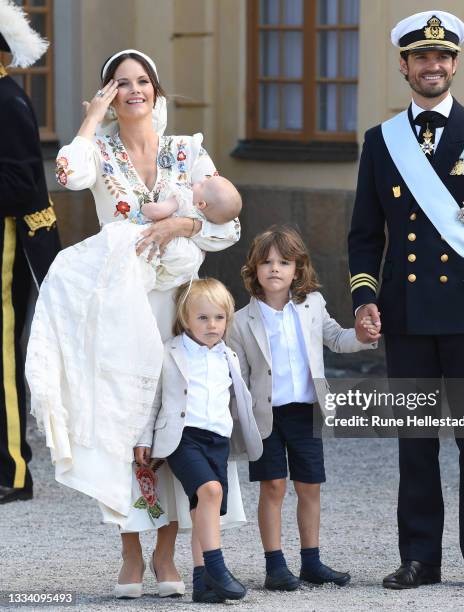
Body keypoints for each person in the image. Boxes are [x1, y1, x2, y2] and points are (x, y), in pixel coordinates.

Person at [25, 49, 243, 598]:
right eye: (120, 84)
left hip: (178, 310)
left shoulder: (186, 150)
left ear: (156, 89)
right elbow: (68, 175)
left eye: (142, 81)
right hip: (121, 311)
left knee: (176, 424)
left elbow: (227, 220)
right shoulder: (98, 149)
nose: (133, 90)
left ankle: (167, 555)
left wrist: (183, 224)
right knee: (126, 426)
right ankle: (129, 553)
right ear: (108, 93)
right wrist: (92, 117)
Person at [348, 11, 464, 590]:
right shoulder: (381, 143)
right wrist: (364, 297)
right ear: (404, 65)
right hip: (406, 316)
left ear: (454, 63)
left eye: (443, 57)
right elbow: (364, 234)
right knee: (416, 442)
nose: (434, 66)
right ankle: (420, 558)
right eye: (422, 58)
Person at [228, 226, 377, 591]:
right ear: (253, 270)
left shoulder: (312, 306)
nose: (275, 269)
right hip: (267, 416)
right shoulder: (241, 321)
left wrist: (359, 336)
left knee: (310, 486)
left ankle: (311, 561)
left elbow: (337, 340)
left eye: (284, 262)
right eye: (266, 263)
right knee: (273, 486)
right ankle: (275, 565)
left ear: (298, 269)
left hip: (306, 410)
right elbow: (239, 379)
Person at [136, 278, 262, 603]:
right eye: (203, 317)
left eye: (219, 318)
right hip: (183, 438)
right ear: (185, 319)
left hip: (217, 440)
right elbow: (154, 400)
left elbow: (240, 399)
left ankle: (202, 583)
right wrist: (143, 438)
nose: (212, 325)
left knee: (202, 511)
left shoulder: (228, 356)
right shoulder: (172, 352)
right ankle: (218, 569)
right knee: (211, 490)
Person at [0, 0, 61, 505]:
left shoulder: (8, 101)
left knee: (0, 359)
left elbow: (21, 185)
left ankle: (13, 471)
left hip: (3, 244)